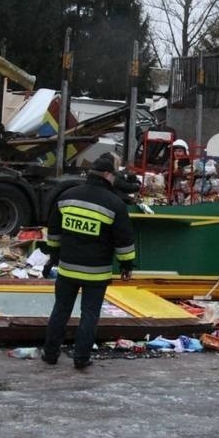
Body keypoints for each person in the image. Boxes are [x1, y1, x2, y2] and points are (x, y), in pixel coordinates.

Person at [42, 153, 136, 369]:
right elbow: (124, 241)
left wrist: (54, 257)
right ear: (106, 175)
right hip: (97, 272)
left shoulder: (67, 196)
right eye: (114, 175)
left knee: (60, 311)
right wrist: (126, 265)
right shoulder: (115, 204)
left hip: (67, 269)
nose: (115, 180)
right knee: (90, 315)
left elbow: (54, 233)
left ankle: (50, 354)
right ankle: (81, 358)